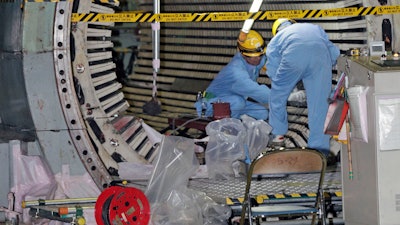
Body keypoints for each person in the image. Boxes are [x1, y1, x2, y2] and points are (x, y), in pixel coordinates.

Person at [265, 18, 340, 155]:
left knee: (277, 97)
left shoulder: (276, 40)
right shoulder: (315, 28)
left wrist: (287, 86)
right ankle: (319, 150)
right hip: (320, 59)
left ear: (276, 31)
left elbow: (273, 72)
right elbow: (334, 53)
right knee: (320, 105)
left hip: (293, 57)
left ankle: (278, 136)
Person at [196, 30, 271, 120]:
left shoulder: (253, 60)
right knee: (238, 102)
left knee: (262, 113)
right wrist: (284, 96)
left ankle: (241, 125)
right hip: (211, 105)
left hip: (233, 102)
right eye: (254, 56)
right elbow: (257, 92)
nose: (258, 59)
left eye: (260, 55)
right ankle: (229, 130)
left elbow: (271, 64)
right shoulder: (236, 72)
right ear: (243, 54)